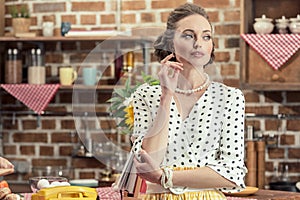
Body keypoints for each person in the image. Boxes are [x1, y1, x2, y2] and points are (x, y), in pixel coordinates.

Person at [131, 3, 248, 199]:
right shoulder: (146, 95)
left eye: (206, 36)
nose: (198, 43)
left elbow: (232, 174)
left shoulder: (230, 98)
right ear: (170, 44)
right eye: (188, 35)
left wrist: (164, 176)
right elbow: (147, 160)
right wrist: (166, 96)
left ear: (211, 46)